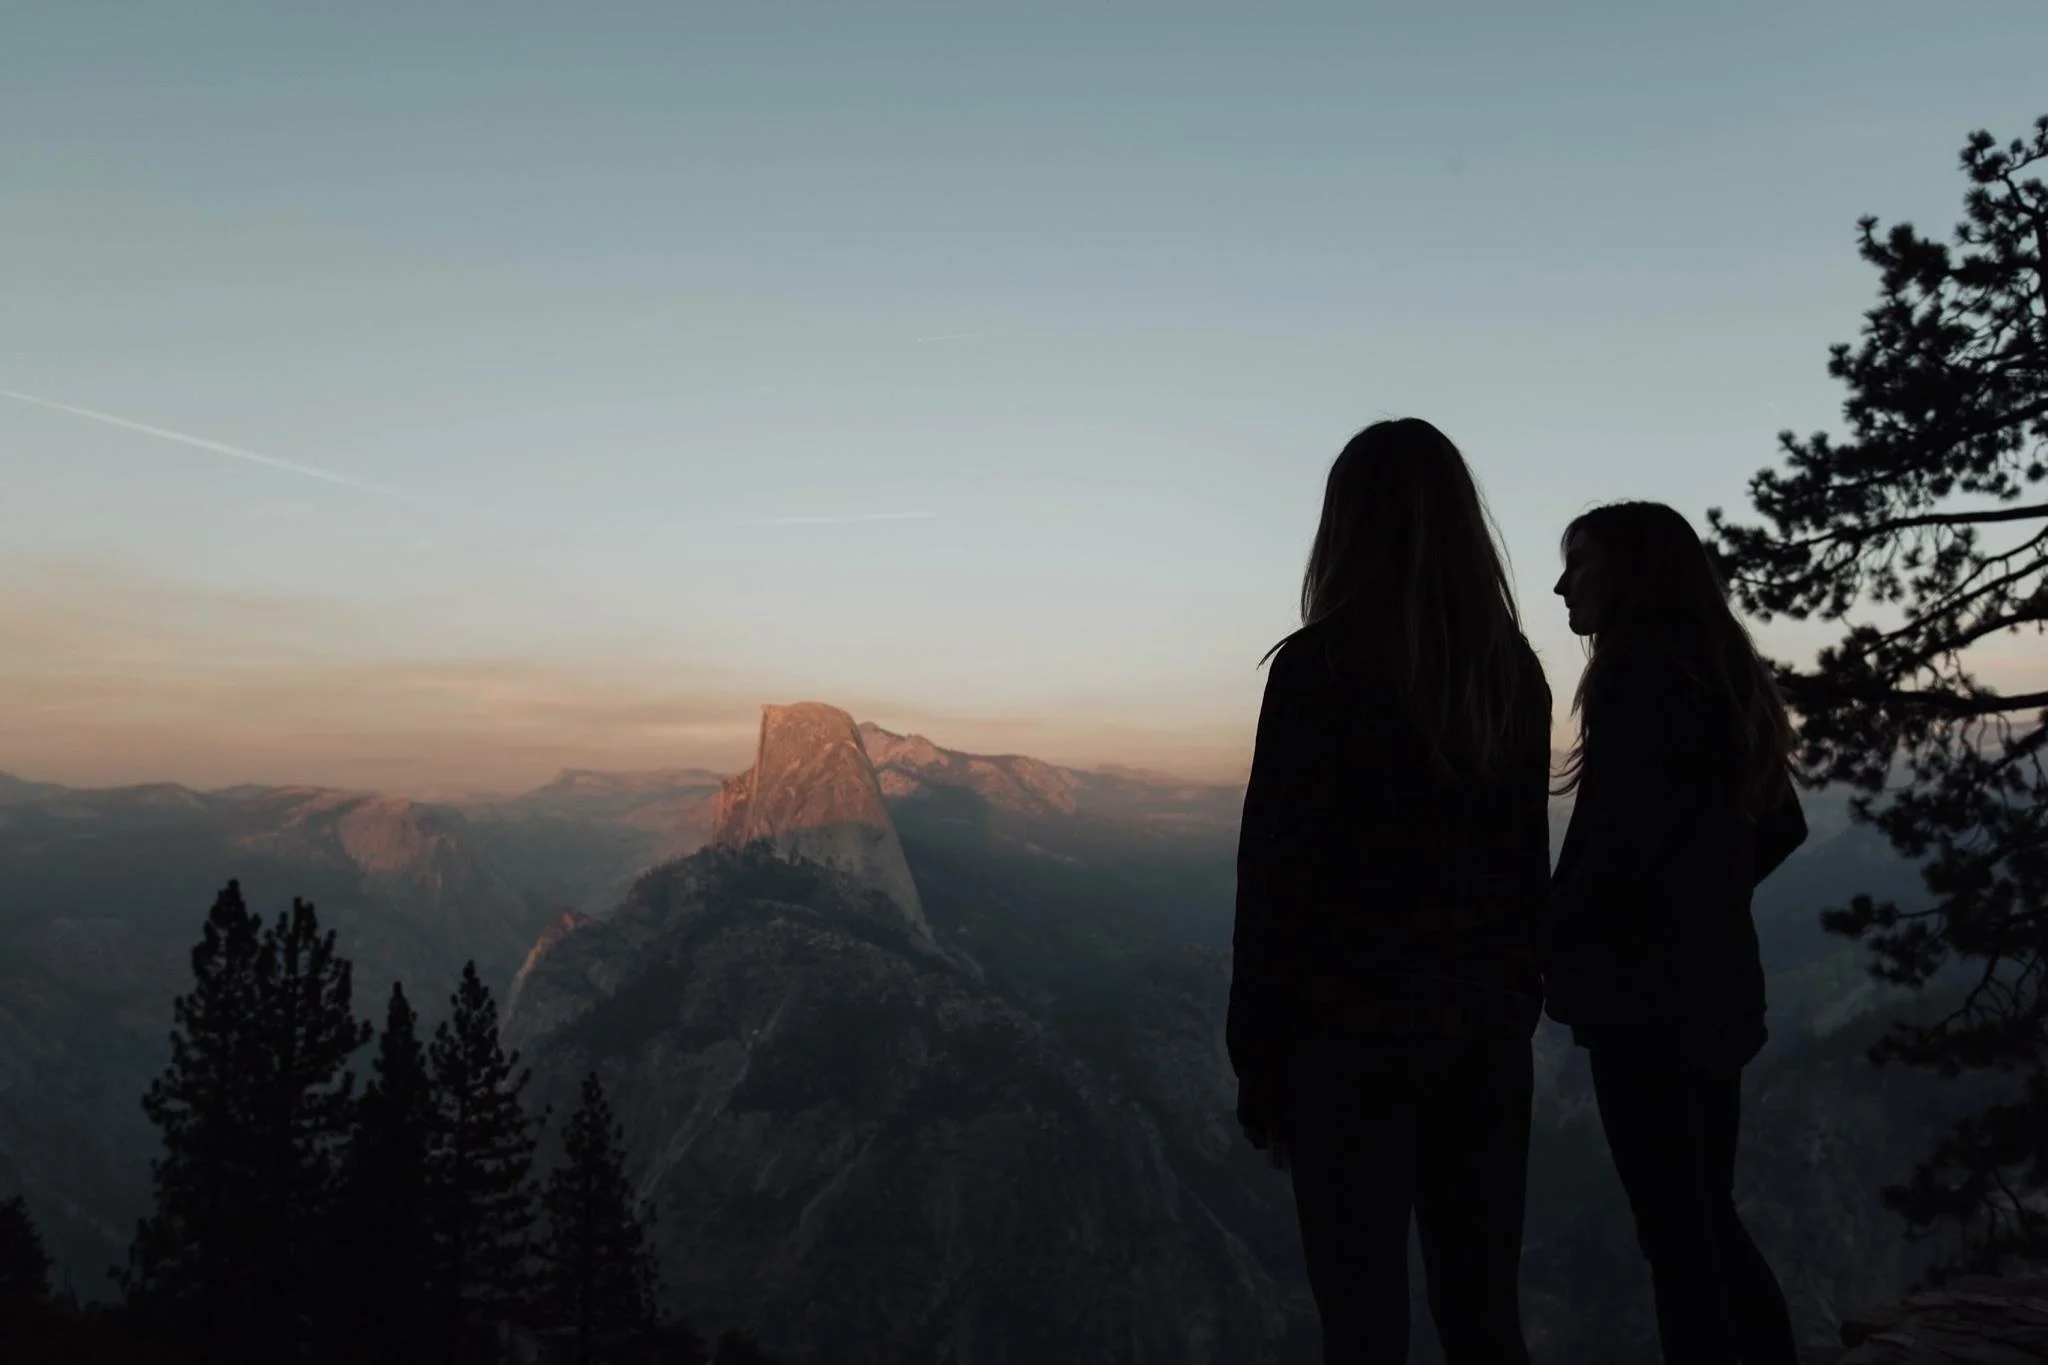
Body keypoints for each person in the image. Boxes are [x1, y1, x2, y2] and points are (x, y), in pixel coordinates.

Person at [1228, 418, 1552, 1364]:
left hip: (1349, 1040)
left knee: (1362, 1323)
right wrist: (1512, 1005)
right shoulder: (1513, 673)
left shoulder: (1316, 670)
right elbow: (1526, 871)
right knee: (1484, 1313)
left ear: (1345, 527)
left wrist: (1261, 1063)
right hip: (1484, 1041)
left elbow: (1277, 880)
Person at [1546, 500, 1808, 1365]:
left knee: (1677, 1234)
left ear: (1629, 570)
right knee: (1705, 1214)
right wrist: (1709, 908)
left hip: (1646, 1007)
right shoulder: (1714, 673)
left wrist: (1549, 938)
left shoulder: (1634, 675)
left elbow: (1617, 847)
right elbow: (1779, 827)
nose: (1560, 586)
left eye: (1577, 564)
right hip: (1717, 994)